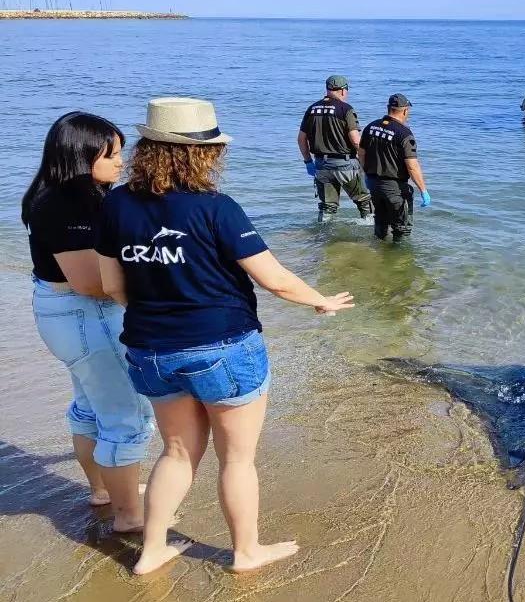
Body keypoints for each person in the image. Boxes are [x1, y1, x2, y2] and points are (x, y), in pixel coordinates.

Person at [96, 97, 355, 574]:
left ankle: (151, 551)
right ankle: (246, 552)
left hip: (150, 351)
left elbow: (112, 286)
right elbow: (274, 280)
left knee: (176, 452)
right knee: (236, 459)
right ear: (205, 154)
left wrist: (161, 312)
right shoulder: (217, 209)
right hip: (223, 348)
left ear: (147, 148)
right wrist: (320, 300)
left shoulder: (116, 204)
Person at [22, 112, 154, 533]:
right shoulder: (69, 202)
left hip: (63, 313)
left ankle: (104, 490)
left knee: (90, 407)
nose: (121, 162)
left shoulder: (52, 195)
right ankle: (129, 515)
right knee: (125, 414)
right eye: (111, 154)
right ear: (81, 155)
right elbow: (90, 283)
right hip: (85, 315)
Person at [297, 75, 373, 221]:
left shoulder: (312, 109)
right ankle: (370, 230)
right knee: (364, 201)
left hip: (321, 165)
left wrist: (308, 162)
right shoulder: (346, 109)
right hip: (346, 165)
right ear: (343, 90)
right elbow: (356, 141)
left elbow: (301, 139)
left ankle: (324, 233)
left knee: (327, 208)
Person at [359, 93, 431, 242]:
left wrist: (366, 174)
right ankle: (399, 257)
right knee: (402, 230)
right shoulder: (404, 133)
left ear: (388, 108)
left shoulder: (371, 127)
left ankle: (377, 251)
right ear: (405, 111)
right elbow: (412, 166)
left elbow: (361, 154)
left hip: (374, 184)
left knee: (381, 223)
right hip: (395, 188)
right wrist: (423, 190)